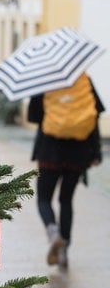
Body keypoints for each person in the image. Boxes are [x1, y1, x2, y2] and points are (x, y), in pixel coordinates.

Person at [27, 73, 105, 268]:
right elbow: (94, 117)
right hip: (77, 152)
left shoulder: (45, 80)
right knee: (66, 200)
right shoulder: (84, 80)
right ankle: (64, 250)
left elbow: (34, 116)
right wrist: (96, 152)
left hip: (49, 150)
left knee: (44, 198)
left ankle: (53, 233)